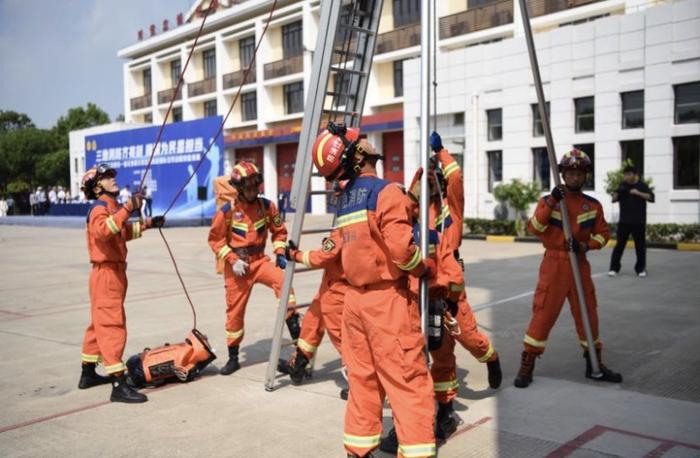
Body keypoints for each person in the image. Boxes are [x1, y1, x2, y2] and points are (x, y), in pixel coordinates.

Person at [313, 124, 437, 458]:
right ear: (358, 156)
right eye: (359, 142)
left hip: (354, 304)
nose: (365, 140)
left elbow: (356, 241)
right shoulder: (386, 192)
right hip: (387, 303)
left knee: (363, 382)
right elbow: (401, 250)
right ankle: (416, 452)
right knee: (407, 382)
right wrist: (424, 267)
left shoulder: (344, 201)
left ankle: (358, 451)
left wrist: (409, 198)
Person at [515, 149, 622, 389]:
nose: (575, 177)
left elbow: (604, 235)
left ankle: (594, 363)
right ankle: (528, 363)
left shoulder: (592, 205)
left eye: (579, 173)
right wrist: (552, 200)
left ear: (586, 176)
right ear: (562, 174)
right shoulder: (550, 201)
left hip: (579, 263)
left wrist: (587, 244)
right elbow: (533, 228)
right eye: (570, 173)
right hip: (554, 265)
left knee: (588, 314)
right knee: (542, 314)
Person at [79, 163, 166, 403]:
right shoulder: (99, 209)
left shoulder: (111, 208)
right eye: (107, 177)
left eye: (112, 175)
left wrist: (148, 224)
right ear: (97, 187)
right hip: (106, 274)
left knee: (99, 323)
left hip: (111, 273)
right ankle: (118, 383)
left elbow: (122, 232)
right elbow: (105, 232)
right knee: (112, 324)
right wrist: (128, 207)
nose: (113, 179)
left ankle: (87, 373)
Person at [207, 161, 300, 376]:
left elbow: (279, 232)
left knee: (284, 283)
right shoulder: (227, 211)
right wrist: (231, 259)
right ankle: (233, 357)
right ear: (239, 188)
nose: (252, 191)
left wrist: (279, 252)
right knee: (234, 313)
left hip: (260, 261)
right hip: (237, 267)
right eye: (248, 188)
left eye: (255, 186)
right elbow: (215, 240)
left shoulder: (267, 206)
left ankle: (296, 330)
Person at [280, 227, 347, 394]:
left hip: (338, 291)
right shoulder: (347, 226)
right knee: (311, 321)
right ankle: (299, 365)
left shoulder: (346, 228)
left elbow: (322, 257)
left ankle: (358, 383)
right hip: (329, 287)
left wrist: (295, 255)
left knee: (343, 339)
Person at [609, 165, 654, 277]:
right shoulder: (622, 186)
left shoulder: (642, 186)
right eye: (625, 175)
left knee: (640, 246)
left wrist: (638, 193)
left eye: (629, 174)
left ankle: (640, 269)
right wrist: (617, 191)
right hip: (624, 221)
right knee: (619, 245)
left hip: (638, 222)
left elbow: (651, 197)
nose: (627, 177)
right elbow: (613, 199)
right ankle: (614, 268)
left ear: (635, 175)